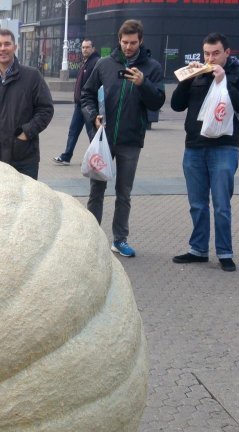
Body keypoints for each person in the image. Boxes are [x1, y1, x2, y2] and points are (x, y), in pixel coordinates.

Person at [171, 33, 239, 272]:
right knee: (197, 204)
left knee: (221, 204)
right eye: (207, 53)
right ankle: (197, 250)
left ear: (227, 52)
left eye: (216, 53)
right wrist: (187, 78)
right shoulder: (200, 74)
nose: (211, 58)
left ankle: (225, 253)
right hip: (194, 147)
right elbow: (177, 105)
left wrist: (225, 81)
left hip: (224, 147)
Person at [81, 19, 165, 258]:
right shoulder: (104, 65)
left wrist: (143, 83)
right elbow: (86, 95)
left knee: (123, 193)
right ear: (119, 40)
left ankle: (120, 239)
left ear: (141, 41)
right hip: (103, 139)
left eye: (133, 43)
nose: (129, 47)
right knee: (96, 190)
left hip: (131, 140)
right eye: (125, 42)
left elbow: (158, 100)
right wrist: (93, 116)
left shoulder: (151, 67)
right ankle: (92, 237)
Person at [0, 29, 54, 180]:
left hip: (24, 157)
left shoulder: (32, 76)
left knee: (26, 202)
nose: (3, 48)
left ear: (15, 47)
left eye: (7, 44)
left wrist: (25, 134)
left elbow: (46, 110)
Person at [53, 39, 99, 165]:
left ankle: (97, 158)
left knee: (92, 134)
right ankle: (66, 156)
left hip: (89, 105)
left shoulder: (95, 63)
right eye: (83, 47)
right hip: (80, 105)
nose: (85, 50)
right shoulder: (86, 62)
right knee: (73, 131)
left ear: (93, 48)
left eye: (87, 47)